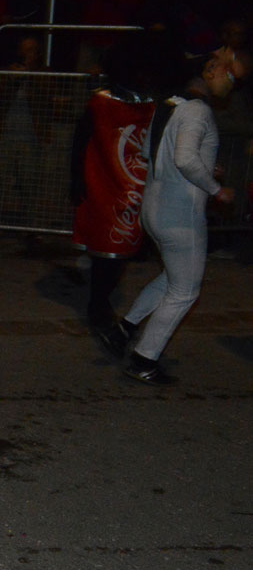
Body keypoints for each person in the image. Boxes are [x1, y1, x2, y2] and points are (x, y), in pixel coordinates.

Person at [117, 49, 239, 385]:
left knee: (173, 278)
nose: (231, 81)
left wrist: (205, 165)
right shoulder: (198, 110)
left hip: (153, 209)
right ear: (209, 70)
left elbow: (149, 152)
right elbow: (185, 160)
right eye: (227, 73)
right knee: (185, 291)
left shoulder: (169, 104)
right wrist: (216, 189)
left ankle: (126, 326)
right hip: (180, 214)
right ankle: (144, 359)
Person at [69, 37, 157, 354]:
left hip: (133, 185)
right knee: (107, 247)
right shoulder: (101, 102)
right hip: (104, 183)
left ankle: (100, 300)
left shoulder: (152, 102)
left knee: (120, 249)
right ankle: (98, 304)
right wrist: (77, 179)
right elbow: (81, 141)